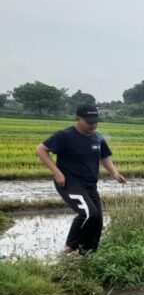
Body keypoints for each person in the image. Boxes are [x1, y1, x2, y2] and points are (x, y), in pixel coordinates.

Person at [35, 104, 127, 254]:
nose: (93, 125)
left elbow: (104, 157)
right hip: (70, 183)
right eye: (89, 122)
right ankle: (69, 248)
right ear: (78, 119)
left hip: (90, 185)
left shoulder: (98, 138)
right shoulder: (65, 135)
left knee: (97, 219)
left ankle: (88, 254)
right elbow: (41, 149)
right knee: (89, 213)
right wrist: (56, 172)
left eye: (95, 122)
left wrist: (115, 174)